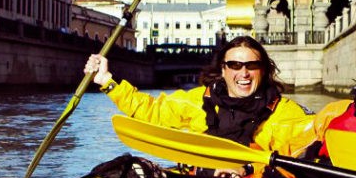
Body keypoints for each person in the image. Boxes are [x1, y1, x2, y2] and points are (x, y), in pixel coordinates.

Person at [85, 35, 307, 151]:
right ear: (223, 69)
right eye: (235, 65)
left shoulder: (285, 113)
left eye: (252, 66)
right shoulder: (196, 100)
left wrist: (250, 170)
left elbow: (305, 144)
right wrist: (106, 81)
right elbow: (151, 110)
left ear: (264, 70)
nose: (244, 73)